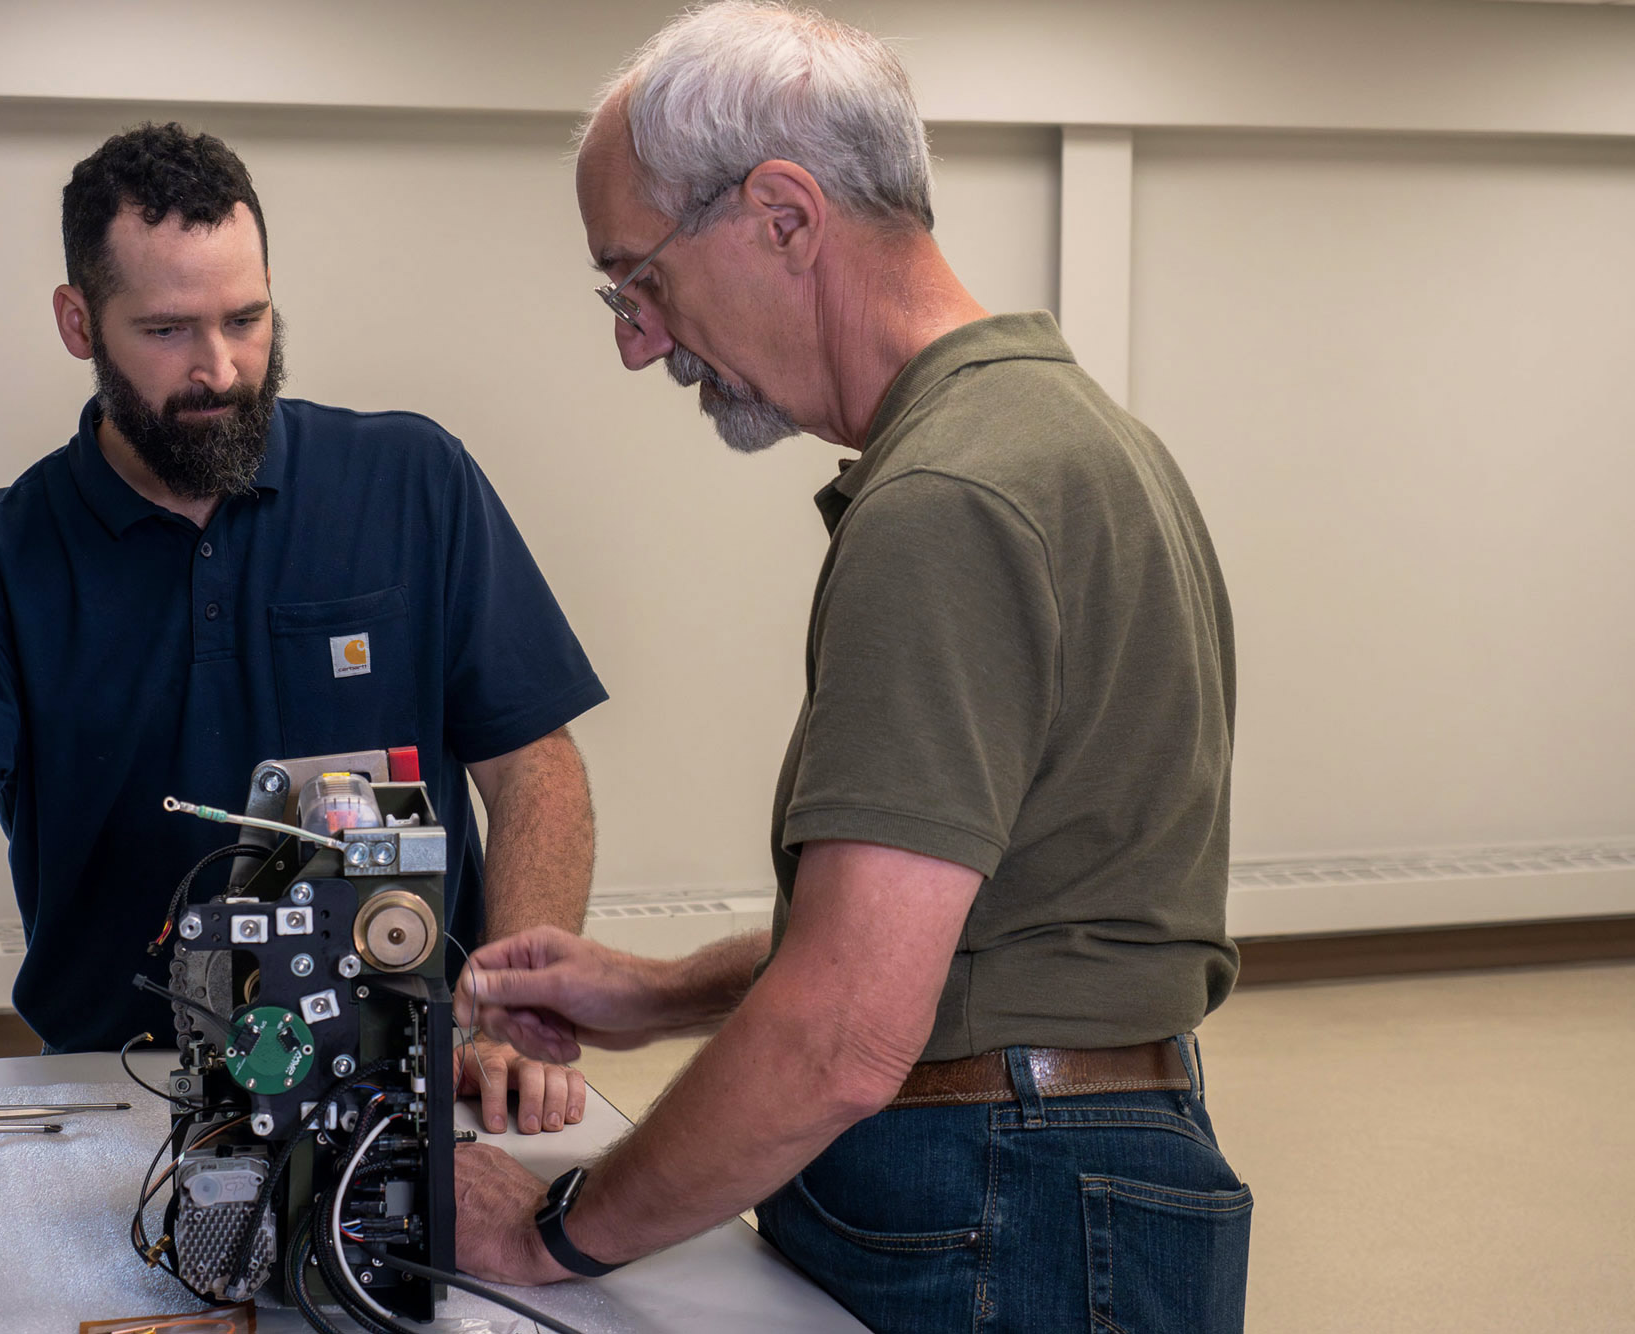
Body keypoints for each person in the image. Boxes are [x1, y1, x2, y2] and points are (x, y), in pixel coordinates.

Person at [450, 5, 1251, 1331]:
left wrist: (554, 1229)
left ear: (781, 212)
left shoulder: (949, 496)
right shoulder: (1072, 436)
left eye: (637, 279)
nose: (637, 339)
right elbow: (950, 921)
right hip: (1075, 1163)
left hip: (1001, 1196)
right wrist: (662, 994)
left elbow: (844, 1031)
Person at [0, 124, 605, 1205]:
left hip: (401, 1079)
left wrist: (509, 1011)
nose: (219, 367)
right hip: (116, 1092)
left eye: (246, 318)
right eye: (166, 329)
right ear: (79, 322)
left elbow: (534, 771)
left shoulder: (414, 482)